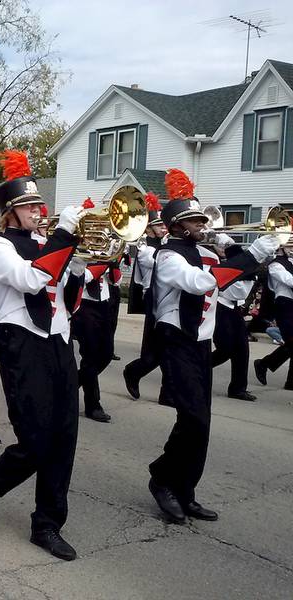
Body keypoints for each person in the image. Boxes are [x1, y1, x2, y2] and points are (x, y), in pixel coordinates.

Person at [0, 149, 86, 561]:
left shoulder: (45, 243)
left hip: (58, 341)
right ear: (11, 213)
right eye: (30, 206)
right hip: (22, 343)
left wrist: (85, 260)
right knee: (36, 439)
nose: (40, 211)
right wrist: (63, 240)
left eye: (41, 205)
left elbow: (69, 292)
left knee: (64, 438)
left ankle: (48, 524)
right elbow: (31, 279)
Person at [147, 169, 277, 525]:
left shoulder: (206, 251)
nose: (202, 223)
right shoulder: (168, 256)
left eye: (202, 218)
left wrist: (238, 251)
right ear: (175, 225)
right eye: (194, 220)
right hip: (178, 341)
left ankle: (185, 490)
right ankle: (162, 479)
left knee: (201, 425)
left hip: (201, 343)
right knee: (192, 419)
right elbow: (199, 283)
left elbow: (235, 285)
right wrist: (250, 255)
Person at [71, 198, 116, 423]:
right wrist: (102, 264)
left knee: (106, 354)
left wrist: (114, 259)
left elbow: (115, 280)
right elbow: (82, 276)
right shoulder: (78, 245)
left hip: (104, 303)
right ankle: (93, 405)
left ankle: (71, 387)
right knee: (89, 357)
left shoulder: (104, 243)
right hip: (86, 304)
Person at [123, 194, 167, 401]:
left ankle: (168, 393)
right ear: (148, 228)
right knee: (156, 345)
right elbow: (156, 261)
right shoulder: (144, 247)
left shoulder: (163, 244)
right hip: (154, 296)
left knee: (170, 346)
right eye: (159, 225)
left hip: (168, 295)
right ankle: (134, 370)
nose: (164, 229)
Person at [211, 238, 257, 401]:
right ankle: (195, 369)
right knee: (225, 349)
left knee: (242, 350)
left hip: (234, 309)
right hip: (221, 309)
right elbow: (239, 293)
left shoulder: (240, 269)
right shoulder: (222, 268)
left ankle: (238, 389)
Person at [254, 247, 293, 390]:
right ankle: (264, 363)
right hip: (285, 304)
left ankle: (290, 382)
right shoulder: (276, 265)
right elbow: (289, 280)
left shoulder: (290, 261)